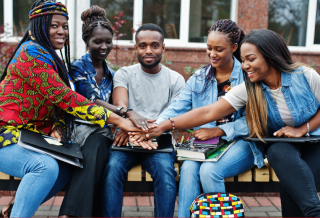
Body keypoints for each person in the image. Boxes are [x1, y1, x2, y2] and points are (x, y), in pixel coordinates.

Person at [139, 29, 320, 217]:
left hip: (315, 142)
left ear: (271, 57)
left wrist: (303, 129)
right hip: (285, 147)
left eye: (251, 59)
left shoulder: (305, 76)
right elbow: (209, 111)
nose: (245, 66)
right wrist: (163, 125)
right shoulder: (250, 88)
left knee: (293, 185)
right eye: (243, 60)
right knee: (277, 152)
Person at [0, 1, 138, 217]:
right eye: (54, 25)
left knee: (65, 167)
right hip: (5, 137)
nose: (61, 31)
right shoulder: (31, 54)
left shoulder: (52, 57)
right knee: (45, 167)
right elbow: (66, 98)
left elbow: (53, 104)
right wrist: (120, 119)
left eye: (64, 26)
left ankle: (11, 212)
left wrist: (56, 126)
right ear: (37, 26)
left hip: (28, 137)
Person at [151, 19, 264, 217]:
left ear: (234, 47)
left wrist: (220, 130)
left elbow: (254, 121)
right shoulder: (199, 78)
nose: (212, 54)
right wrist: (153, 126)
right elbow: (176, 109)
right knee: (188, 168)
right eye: (209, 48)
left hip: (242, 142)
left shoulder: (248, 76)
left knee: (209, 171)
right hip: (207, 144)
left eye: (219, 49)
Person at [102, 23, 185, 217]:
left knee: (165, 174)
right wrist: (130, 120)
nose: (148, 50)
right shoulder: (125, 73)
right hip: (125, 139)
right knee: (112, 170)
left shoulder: (175, 79)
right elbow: (120, 104)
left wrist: (138, 129)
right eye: (143, 45)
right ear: (136, 48)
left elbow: (175, 114)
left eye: (154, 45)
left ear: (163, 47)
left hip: (159, 141)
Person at [58, 5, 119, 217]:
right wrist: (123, 111)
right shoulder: (78, 67)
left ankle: (71, 213)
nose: (104, 46)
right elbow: (90, 102)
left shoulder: (112, 73)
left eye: (108, 41)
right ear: (87, 42)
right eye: (98, 41)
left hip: (101, 132)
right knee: (96, 148)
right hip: (80, 132)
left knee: (98, 150)